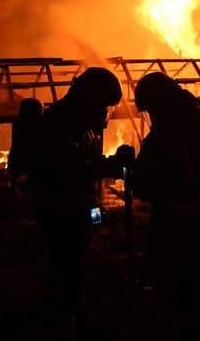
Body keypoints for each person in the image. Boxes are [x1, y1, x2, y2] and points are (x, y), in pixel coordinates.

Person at [131, 71, 200, 341]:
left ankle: (192, 330)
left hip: (181, 224)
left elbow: (143, 186)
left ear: (158, 104)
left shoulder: (165, 136)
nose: (151, 116)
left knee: (183, 288)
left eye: (151, 109)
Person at [25, 66, 134, 336]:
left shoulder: (79, 123)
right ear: (90, 100)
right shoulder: (61, 125)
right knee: (66, 266)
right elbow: (72, 171)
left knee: (74, 266)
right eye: (103, 106)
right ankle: (62, 321)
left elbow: (87, 165)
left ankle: (73, 315)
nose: (105, 115)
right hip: (59, 209)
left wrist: (111, 165)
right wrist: (112, 166)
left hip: (73, 207)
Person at [7, 97, 43, 192]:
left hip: (17, 158)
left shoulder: (19, 122)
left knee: (16, 174)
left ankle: (14, 191)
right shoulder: (38, 123)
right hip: (31, 158)